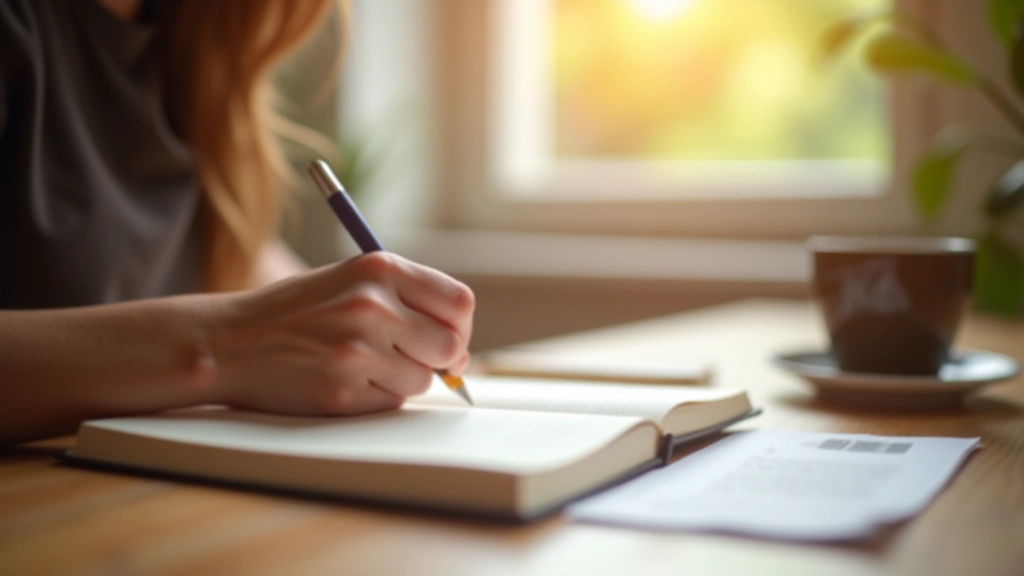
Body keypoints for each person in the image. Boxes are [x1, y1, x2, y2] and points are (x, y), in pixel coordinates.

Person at [0, 0, 474, 446]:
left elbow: (250, 264)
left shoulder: (203, 29)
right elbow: (258, 327)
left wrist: (384, 333)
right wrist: (221, 347)